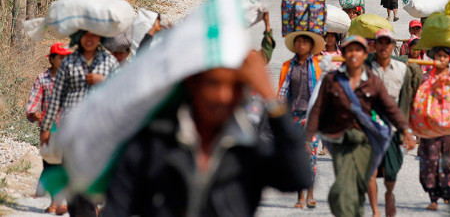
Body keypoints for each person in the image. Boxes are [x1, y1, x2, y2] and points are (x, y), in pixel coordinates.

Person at [101, 49, 312, 216]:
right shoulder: (153, 145)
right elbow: (116, 208)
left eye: (234, 87)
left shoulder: (247, 149)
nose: (223, 96)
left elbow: (299, 177)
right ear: (193, 84)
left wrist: (272, 101)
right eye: (213, 83)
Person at [306, 35, 416, 217]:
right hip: (340, 140)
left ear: (365, 54)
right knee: (341, 187)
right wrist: (307, 138)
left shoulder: (372, 81)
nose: (353, 54)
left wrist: (406, 130)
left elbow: (390, 108)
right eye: (349, 50)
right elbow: (317, 110)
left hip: (365, 140)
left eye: (358, 49)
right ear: (344, 53)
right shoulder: (332, 80)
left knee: (357, 183)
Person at [40, 30, 119, 217]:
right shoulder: (69, 62)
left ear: (101, 37)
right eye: (86, 35)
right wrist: (46, 128)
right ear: (79, 37)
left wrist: (104, 81)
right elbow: (56, 97)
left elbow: (122, 91)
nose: (90, 39)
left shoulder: (109, 62)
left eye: (94, 35)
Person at [368, 29, 421, 217]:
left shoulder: (402, 69)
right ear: (374, 46)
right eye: (380, 43)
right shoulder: (366, 67)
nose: (383, 47)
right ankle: (375, 210)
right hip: (370, 126)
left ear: (393, 46)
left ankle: (389, 193)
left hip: (392, 126)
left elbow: (408, 97)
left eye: (387, 43)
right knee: (370, 170)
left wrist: (407, 128)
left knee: (391, 172)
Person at [278, 31, 324, 209]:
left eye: (305, 42)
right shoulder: (288, 66)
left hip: (313, 117)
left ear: (311, 46)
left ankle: (310, 195)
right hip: (294, 116)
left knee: (311, 155)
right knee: (298, 156)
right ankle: (300, 196)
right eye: (298, 42)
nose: (301, 45)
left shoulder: (319, 66)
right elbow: (282, 92)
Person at [26, 43, 72, 215]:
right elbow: (33, 103)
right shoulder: (42, 79)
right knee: (51, 165)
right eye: (61, 57)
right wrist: (34, 114)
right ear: (51, 59)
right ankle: (56, 201)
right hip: (49, 130)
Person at [418, 47, 450, 210]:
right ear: (433, 57)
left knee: (448, 162)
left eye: (445, 56)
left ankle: (447, 192)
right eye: (438, 56)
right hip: (430, 127)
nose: (441, 59)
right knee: (430, 161)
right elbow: (419, 101)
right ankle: (433, 198)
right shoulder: (426, 77)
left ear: (449, 59)